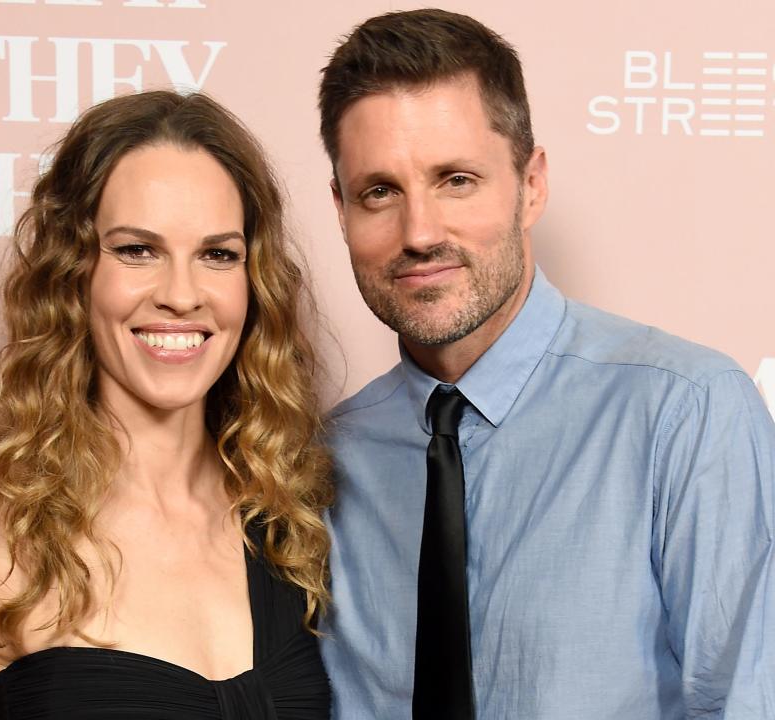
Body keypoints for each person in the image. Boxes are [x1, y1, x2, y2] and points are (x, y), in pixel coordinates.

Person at [317, 8, 775, 719]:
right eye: (380, 191)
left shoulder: (686, 412)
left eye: (456, 179)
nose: (420, 232)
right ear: (341, 210)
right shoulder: (323, 459)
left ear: (530, 185)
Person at [0, 90, 332, 720]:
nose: (180, 294)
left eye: (217, 254)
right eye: (137, 250)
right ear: (74, 271)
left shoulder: (294, 514)